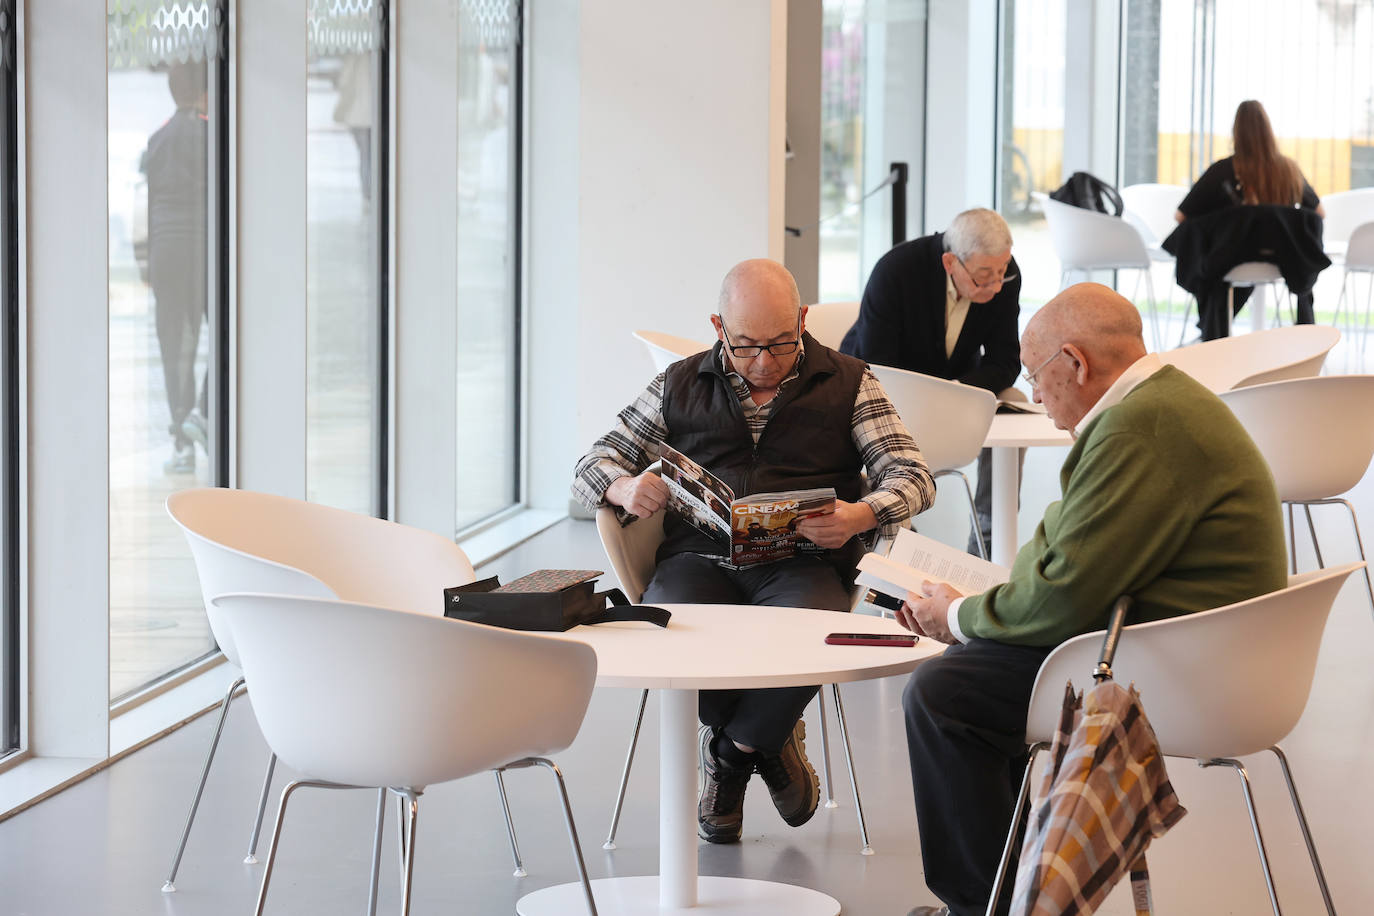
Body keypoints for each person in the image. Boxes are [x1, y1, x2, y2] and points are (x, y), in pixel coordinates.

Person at [897, 283, 1288, 916]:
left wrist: (959, 615)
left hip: (1187, 668)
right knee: (972, 679)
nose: (1034, 393)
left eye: (1035, 375)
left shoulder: (1141, 427)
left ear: (1075, 363)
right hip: (1189, 643)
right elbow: (1063, 557)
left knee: (945, 695)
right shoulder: (1157, 407)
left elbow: (1062, 596)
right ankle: (1013, 895)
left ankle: (982, 907)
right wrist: (994, 608)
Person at [573, 258, 936, 844]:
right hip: (697, 559)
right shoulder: (679, 381)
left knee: (812, 636)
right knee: (675, 634)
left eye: (781, 343)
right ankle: (769, 737)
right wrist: (623, 486)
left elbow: (913, 475)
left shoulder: (850, 379)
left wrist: (859, 514)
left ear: (803, 320)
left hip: (804, 562)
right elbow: (593, 461)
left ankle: (734, 753)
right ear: (718, 326)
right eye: (745, 346)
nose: (764, 362)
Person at [840, 208, 1022, 555]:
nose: (997, 286)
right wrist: (936, 397)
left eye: (1002, 272)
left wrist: (955, 392)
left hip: (956, 388)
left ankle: (988, 531)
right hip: (882, 391)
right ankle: (901, 537)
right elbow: (880, 367)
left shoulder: (1004, 275)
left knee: (1014, 396)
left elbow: (1005, 361)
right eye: (985, 276)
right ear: (950, 262)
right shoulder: (897, 270)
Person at [1175, 99, 1326, 339]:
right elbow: (1318, 214)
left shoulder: (1222, 171)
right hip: (1284, 265)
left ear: (1236, 132)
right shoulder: (1288, 170)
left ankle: (1211, 336)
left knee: (1215, 258)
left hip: (1230, 266)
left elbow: (1181, 216)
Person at [144, 62, 210, 474]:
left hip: (165, 251)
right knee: (229, 335)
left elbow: (145, 206)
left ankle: (182, 442)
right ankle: (203, 411)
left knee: (175, 347)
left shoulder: (156, 140)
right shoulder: (215, 135)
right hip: (204, 249)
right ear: (206, 93)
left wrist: (146, 263)